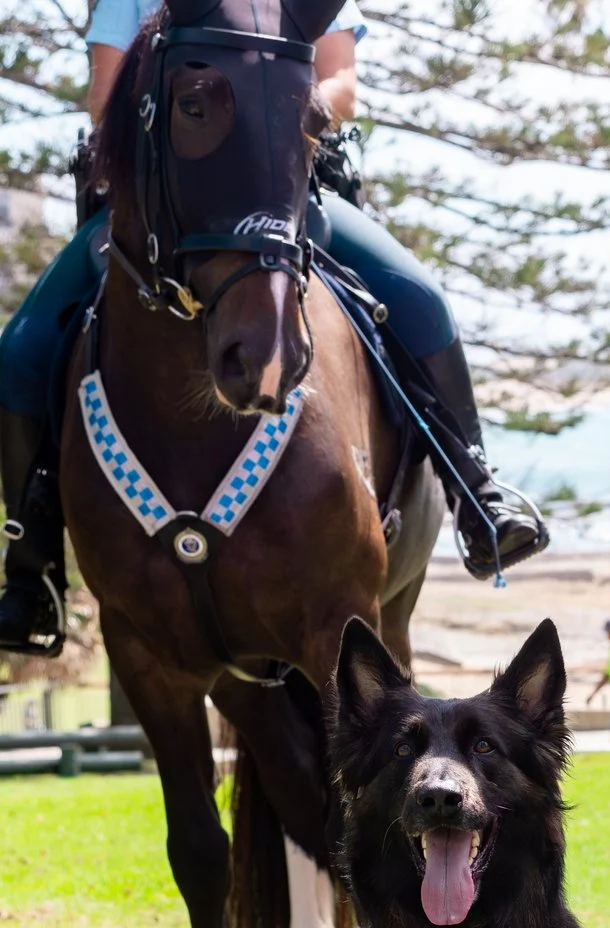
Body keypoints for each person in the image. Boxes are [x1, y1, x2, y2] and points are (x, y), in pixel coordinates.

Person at [0, 0, 547, 656]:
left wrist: (272, 103)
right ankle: (31, 574)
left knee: (422, 300)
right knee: (20, 353)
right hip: (165, 208)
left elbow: (341, 82)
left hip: (286, 196)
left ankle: (476, 491)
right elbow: (104, 94)